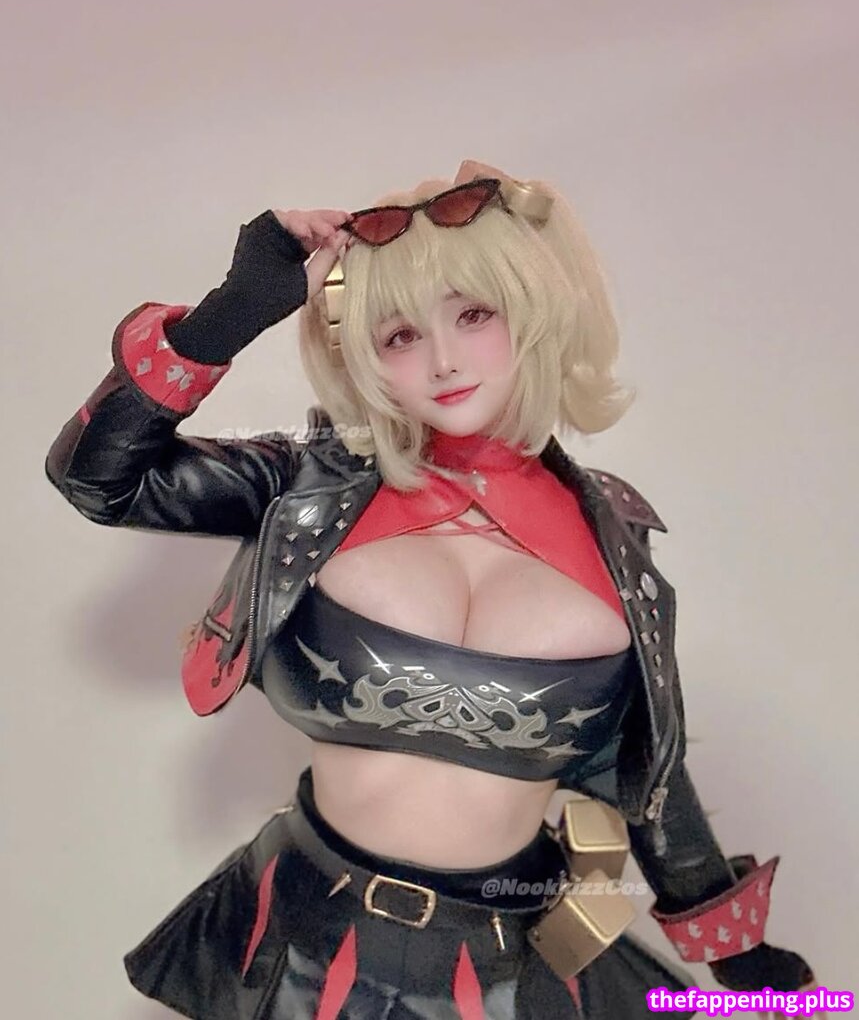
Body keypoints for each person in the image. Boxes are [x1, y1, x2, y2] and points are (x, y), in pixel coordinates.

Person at [45, 160, 821, 1019]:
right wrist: (233, 311)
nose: (443, 361)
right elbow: (97, 478)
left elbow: (649, 775)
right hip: (299, 937)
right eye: (400, 335)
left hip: (513, 961)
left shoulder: (616, 541)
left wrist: (736, 954)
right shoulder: (309, 488)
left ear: (533, 310)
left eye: (473, 315)